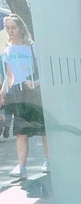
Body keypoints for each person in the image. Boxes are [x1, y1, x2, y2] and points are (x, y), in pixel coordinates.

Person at [0, 13, 49, 179]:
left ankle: (48, 160)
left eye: (13, 27)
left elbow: (45, 70)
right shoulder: (8, 51)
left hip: (34, 92)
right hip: (18, 93)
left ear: (21, 28)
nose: (10, 31)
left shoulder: (32, 47)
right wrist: (2, 93)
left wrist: (36, 83)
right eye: (7, 28)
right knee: (20, 131)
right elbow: (10, 76)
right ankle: (21, 166)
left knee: (43, 128)